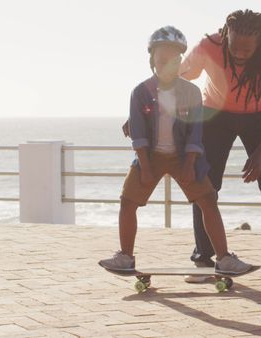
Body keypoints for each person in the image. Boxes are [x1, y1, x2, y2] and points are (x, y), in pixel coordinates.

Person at [99, 26, 252, 275]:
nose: (166, 65)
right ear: (152, 61)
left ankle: (224, 258)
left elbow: (195, 133)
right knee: (127, 201)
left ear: (180, 61)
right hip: (150, 157)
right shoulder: (140, 92)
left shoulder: (190, 92)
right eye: (161, 60)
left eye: (172, 60)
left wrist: (190, 164)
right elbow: (138, 135)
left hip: (185, 157)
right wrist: (146, 168)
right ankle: (126, 256)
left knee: (208, 200)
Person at [180, 10, 261, 283]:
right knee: (204, 185)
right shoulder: (208, 47)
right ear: (225, 35)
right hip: (215, 114)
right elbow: (177, 77)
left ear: (260, 43)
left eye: (246, 50)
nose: (239, 54)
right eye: (234, 46)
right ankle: (203, 259)